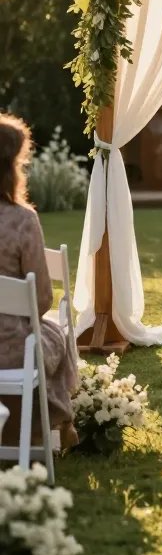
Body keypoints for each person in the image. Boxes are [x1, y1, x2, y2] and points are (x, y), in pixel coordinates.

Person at [0, 114, 78, 447]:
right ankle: (54, 429)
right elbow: (42, 300)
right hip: (12, 351)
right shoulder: (22, 220)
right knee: (54, 335)